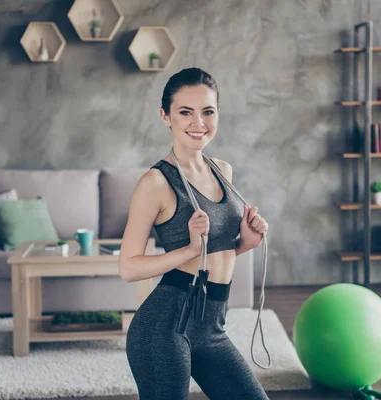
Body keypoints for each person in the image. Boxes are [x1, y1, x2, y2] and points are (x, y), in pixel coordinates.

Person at [118, 67, 270, 400]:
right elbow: (128, 267)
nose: (197, 122)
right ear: (165, 116)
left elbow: (215, 253)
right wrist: (187, 249)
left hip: (212, 327)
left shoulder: (222, 170)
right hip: (164, 328)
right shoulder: (155, 183)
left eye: (207, 111)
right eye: (185, 112)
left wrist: (246, 241)